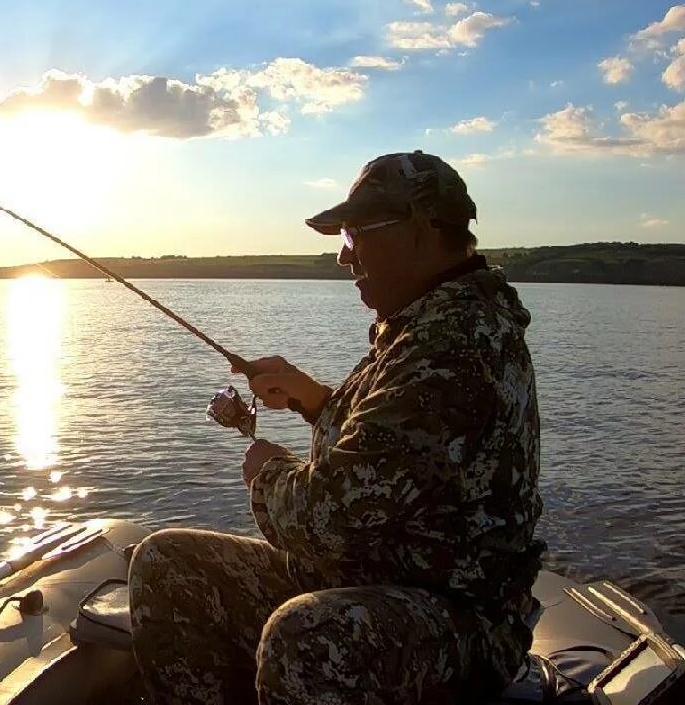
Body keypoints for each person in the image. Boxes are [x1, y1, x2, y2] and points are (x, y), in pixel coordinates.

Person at [128, 151, 545, 705]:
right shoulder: (424, 324)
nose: (344, 257)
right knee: (165, 563)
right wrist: (313, 399)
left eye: (355, 234)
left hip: (458, 620)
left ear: (420, 231)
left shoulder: (456, 347)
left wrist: (266, 471)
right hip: (367, 581)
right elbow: (396, 448)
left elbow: (329, 518)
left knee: (305, 638)